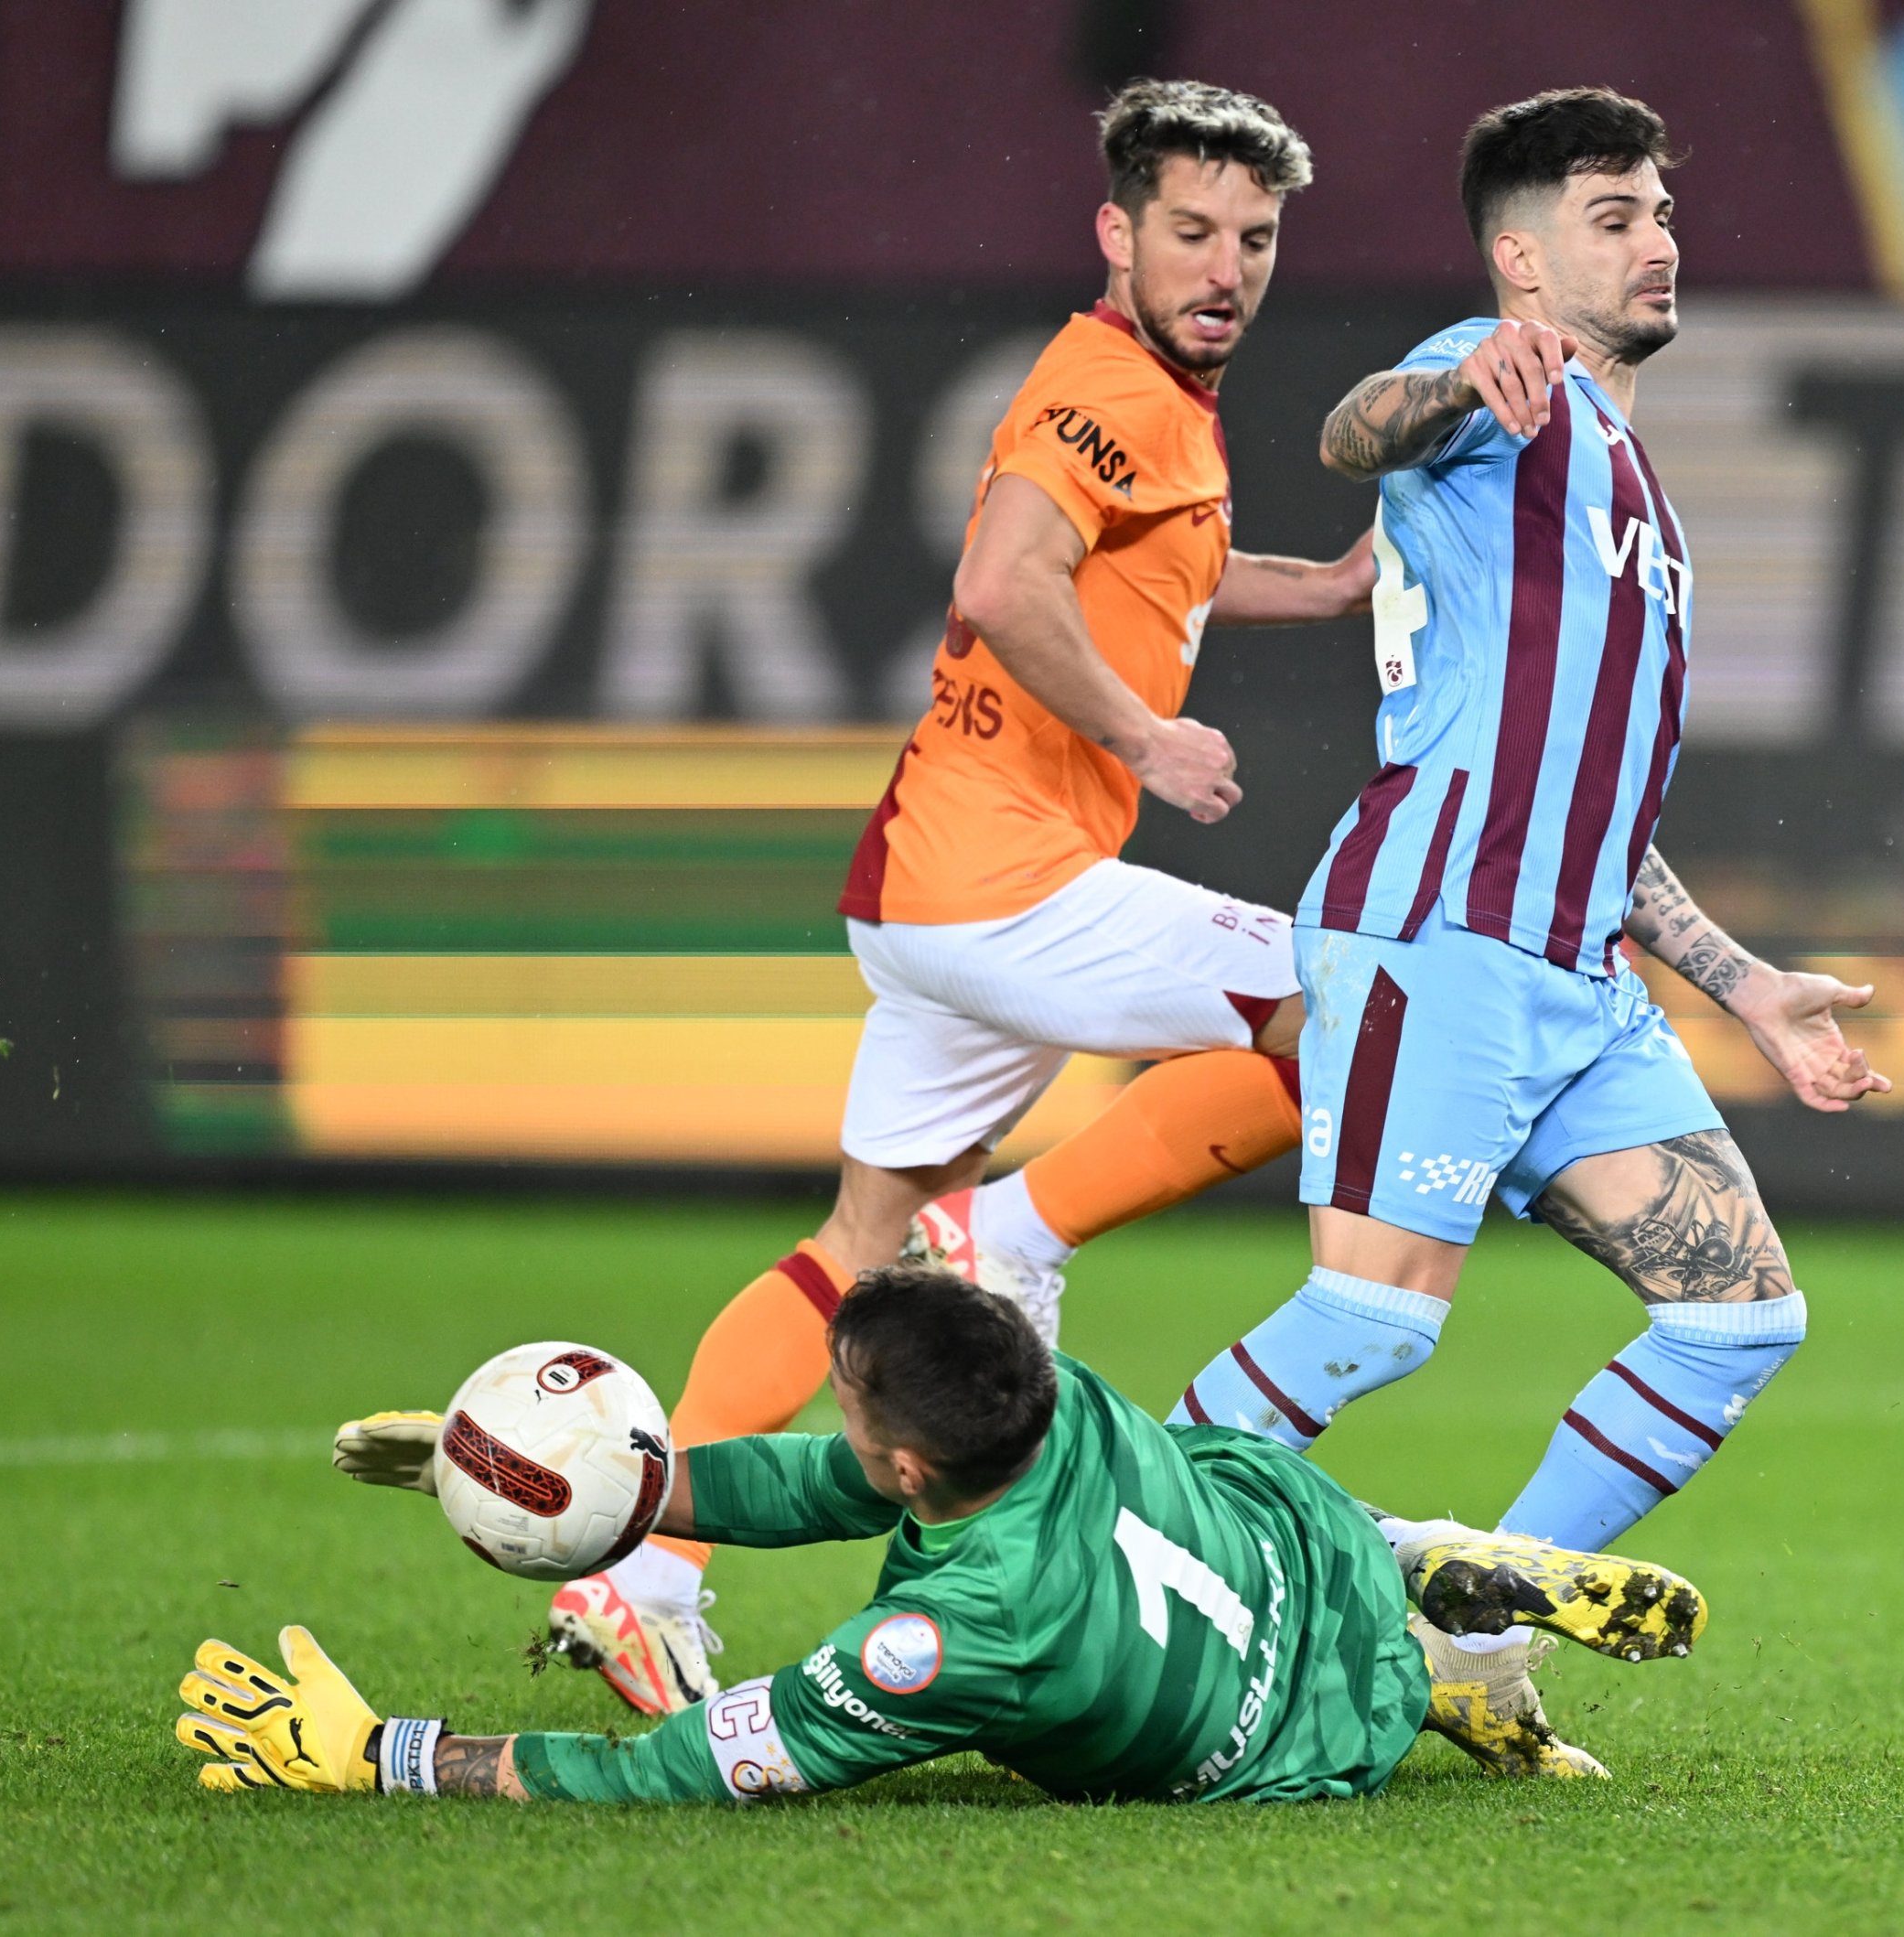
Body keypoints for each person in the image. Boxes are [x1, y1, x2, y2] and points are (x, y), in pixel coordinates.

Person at [429, 77, 1375, 1718]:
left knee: (855, 1250)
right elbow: (1005, 582)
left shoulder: (1160, 397)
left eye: (1256, 237)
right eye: (1192, 231)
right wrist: (1145, 735)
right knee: (1360, 1002)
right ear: (1116, 232)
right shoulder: (1111, 384)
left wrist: (1339, 583)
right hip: (1006, 889)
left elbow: (1166, 567)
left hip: (935, 894)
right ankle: (1022, 1227)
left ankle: (643, 1575)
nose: (1226, 265)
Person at [1164, 91, 1888, 1652]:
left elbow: (1601, 801)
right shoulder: (1491, 390)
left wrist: (1747, 984)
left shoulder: (1631, 487)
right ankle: (1102, 1555)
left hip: (1582, 981)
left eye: (1663, 214)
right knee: (1370, 1321)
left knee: (1740, 1316)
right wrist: (1459, 381)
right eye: (1612, 219)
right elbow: (1353, 427)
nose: (1657, 242)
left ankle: (1463, 1647)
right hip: (1442, 936)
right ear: (1520, 258)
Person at [183, 1270, 1708, 1804]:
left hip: (1287, 1742)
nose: (835, 1424)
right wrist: (581, 1487)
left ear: (916, 1465)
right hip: (1281, 1539)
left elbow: (691, 1761)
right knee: (1236, 1466)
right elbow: (819, 1482)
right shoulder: (1049, 1395)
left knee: (1304, 1651)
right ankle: (1418, 1567)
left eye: (850, 1409)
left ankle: (1422, 1664)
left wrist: (392, 1752)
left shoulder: (952, 1637)